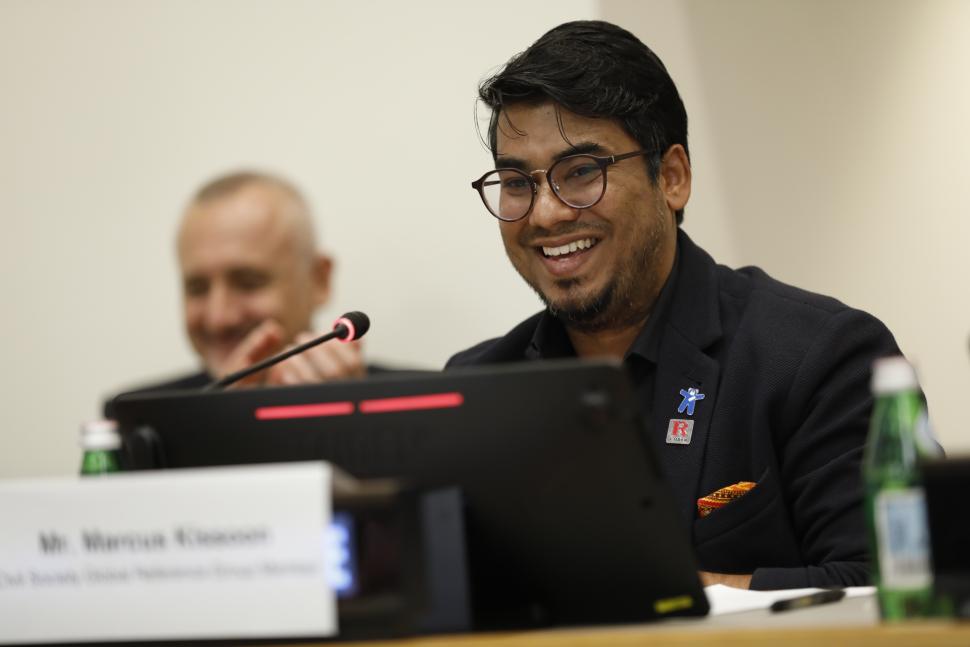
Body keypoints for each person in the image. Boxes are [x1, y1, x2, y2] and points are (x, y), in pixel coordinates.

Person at [449, 20, 906, 590]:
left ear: (672, 177)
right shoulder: (478, 386)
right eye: (517, 182)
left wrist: (662, 599)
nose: (545, 214)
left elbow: (886, 586)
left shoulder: (818, 356)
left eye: (582, 173)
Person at [107, 171, 366, 409]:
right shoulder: (138, 419)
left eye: (248, 282)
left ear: (319, 280)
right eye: (197, 288)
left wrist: (355, 420)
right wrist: (224, 418)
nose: (219, 318)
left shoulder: (404, 404)